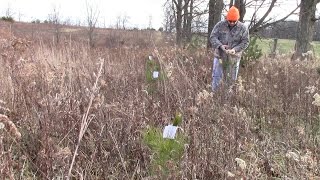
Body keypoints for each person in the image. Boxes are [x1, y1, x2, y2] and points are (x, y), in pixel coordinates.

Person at [210, 6, 249, 91]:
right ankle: (214, 96)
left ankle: (227, 100)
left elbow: (245, 42)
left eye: (234, 21)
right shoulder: (220, 25)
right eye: (230, 21)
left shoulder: (243, 28)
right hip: (219, 56)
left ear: (238, 19)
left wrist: (235, 49)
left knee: (231, 81)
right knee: (216, 77)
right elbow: (213, 37)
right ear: (227, 18)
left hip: (233, 59)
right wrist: (220, 46)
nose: (231, 23)